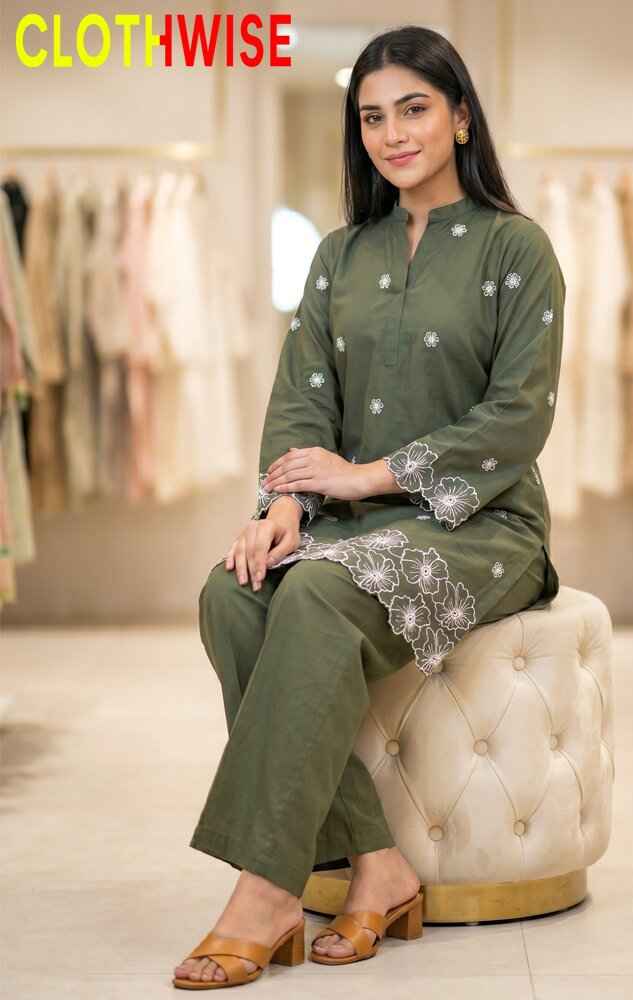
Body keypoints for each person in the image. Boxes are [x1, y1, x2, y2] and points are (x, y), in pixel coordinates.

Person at [173, 22, 565, 988]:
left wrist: (363, 479)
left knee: (313, 599)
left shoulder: (518, 250)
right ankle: (379, 867)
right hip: (357, 528)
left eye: (416, 109)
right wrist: (282, 506)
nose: (394, 134)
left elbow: (516, 421)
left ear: (462, 117)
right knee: (234, 591)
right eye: (374, 117)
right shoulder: (341, 256)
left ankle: (268, 888)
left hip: (483, 525)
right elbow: (301, 398)